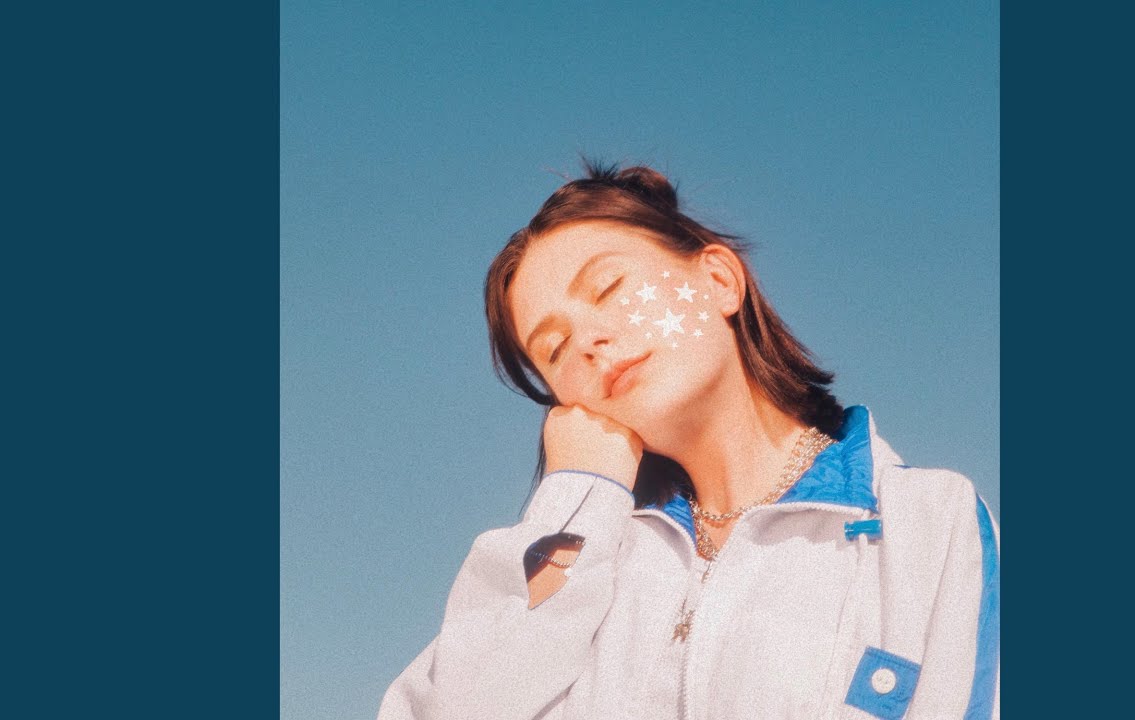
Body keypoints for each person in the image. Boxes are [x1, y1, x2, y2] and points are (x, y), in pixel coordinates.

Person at [377, 161, 999, 720]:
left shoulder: (926, 523)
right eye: (555, 348)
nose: (588, 340)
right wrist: (574, 499)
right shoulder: (593, 565)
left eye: (608, 288)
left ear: (720, 280)